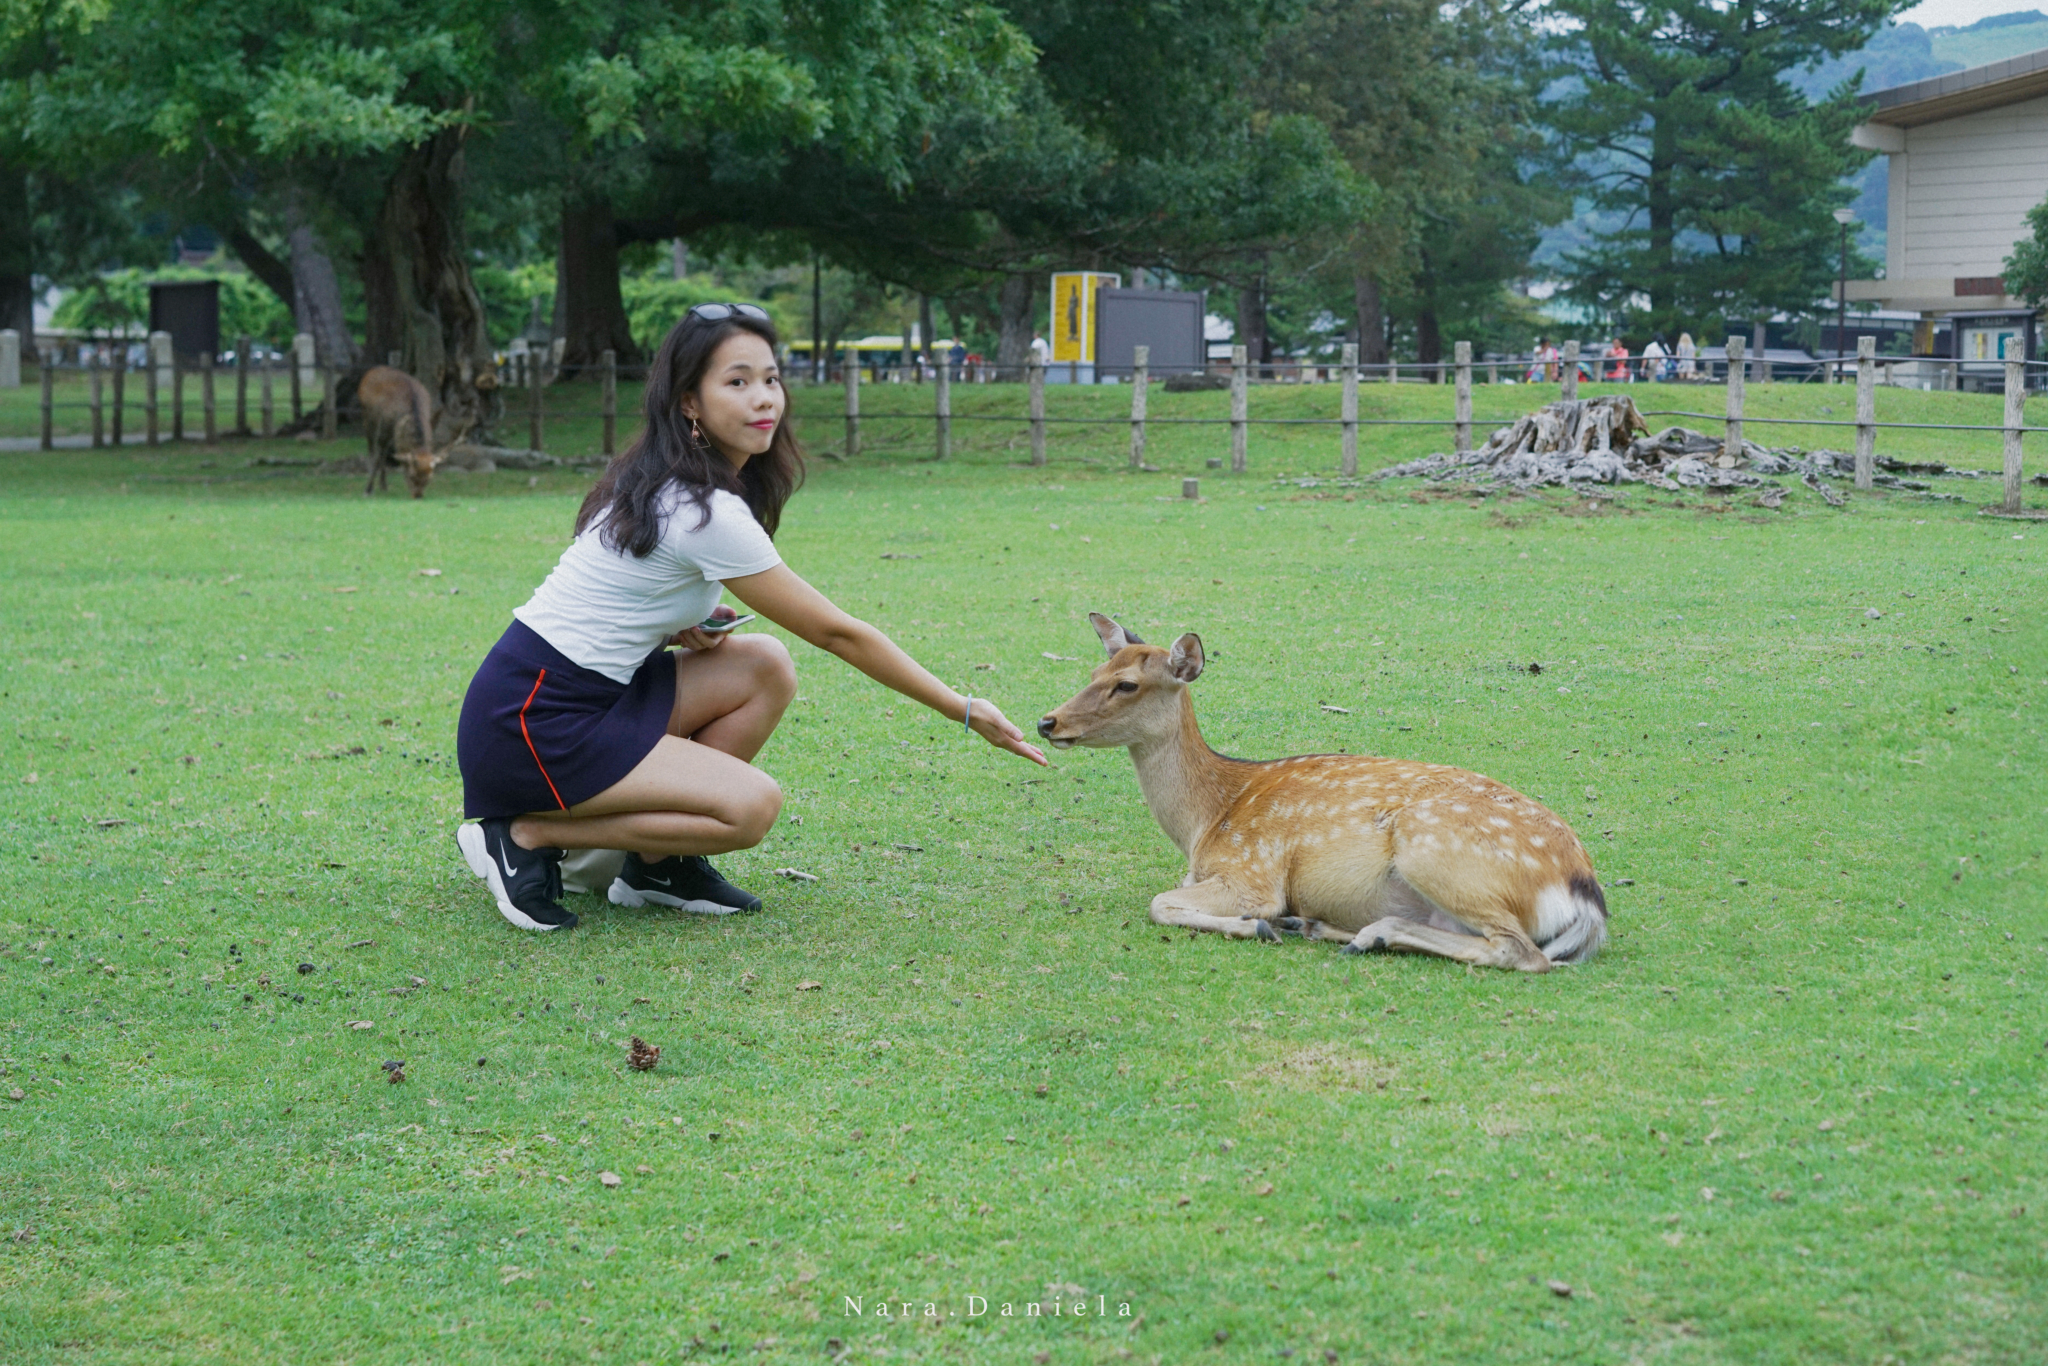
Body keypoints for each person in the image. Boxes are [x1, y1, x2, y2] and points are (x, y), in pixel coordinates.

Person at [453, 303, 1048, 932]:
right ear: (689, 401)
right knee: (751, 807)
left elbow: (624, 599)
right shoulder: (699, 507)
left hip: (587, 699)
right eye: (736, 382)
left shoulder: (670, 480)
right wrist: (961, 707)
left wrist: (686, 622)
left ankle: (656, 868)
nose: (763, 398)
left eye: (770, 379)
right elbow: (836, 632)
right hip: (533, 723)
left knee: (764, 663)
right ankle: (524, 833)